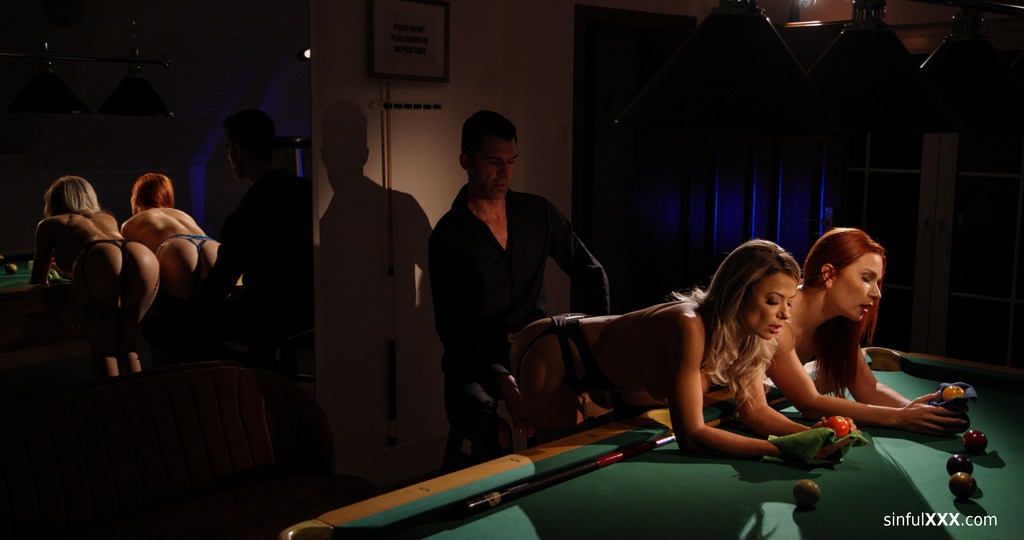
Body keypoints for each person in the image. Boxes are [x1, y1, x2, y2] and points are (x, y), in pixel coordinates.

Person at [510, 239, 851, 458]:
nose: (785, 314)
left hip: (610, 373)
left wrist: (814, 436)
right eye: (773, 301)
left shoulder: (753, 336)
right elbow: (692, 435)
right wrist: (784, 451)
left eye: (789, 302)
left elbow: (756, 413)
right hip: (559, 350)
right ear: (738, 293)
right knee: (563, 463)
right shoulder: (689, 324)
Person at [429, 110, 610, 467]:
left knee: (577, 416)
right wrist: (504, 381)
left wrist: (593, 344)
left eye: (511, 161)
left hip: (534, 345)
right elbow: (454, 330)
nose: (505, 172)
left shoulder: (536, 212)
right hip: (476, 356)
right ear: (466, 161)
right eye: (493, 161)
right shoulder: (449, 236)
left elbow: (591, 272)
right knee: (480, 415)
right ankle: (482, 491)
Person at [739, 228, 968, 436]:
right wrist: (900, 418)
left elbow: (867, 387)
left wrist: (916, 409)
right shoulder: (779, 318)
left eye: (877, 282)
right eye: (866, 278)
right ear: (829, 274)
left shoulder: (836, 322)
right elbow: (810, 403)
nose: (877, 293)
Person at [142, 109, 313, 370]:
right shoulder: (308, 192)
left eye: (228, 148)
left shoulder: (247, 214)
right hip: (310, 308)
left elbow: (218, 286)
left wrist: (187, 308)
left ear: (238, 150)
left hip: (265, 314)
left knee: (156, 327)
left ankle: (245, 363)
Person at [29, 175, 160, 377]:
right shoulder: (108, 218)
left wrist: (61, 271)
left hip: (98, 255)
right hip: (140, 254)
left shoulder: (49, 224)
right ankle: (137, 396)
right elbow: (111, 266)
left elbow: (39, 279)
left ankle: (110, 398)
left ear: (54, 200)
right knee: (128, 347)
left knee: (105, 351)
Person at [121, 173, 220, 301]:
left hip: (177, 248)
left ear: (136, 197)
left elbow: (132, 269)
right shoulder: (182, 214)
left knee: (179, 307)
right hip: (211, 247)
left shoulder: (131, 223)